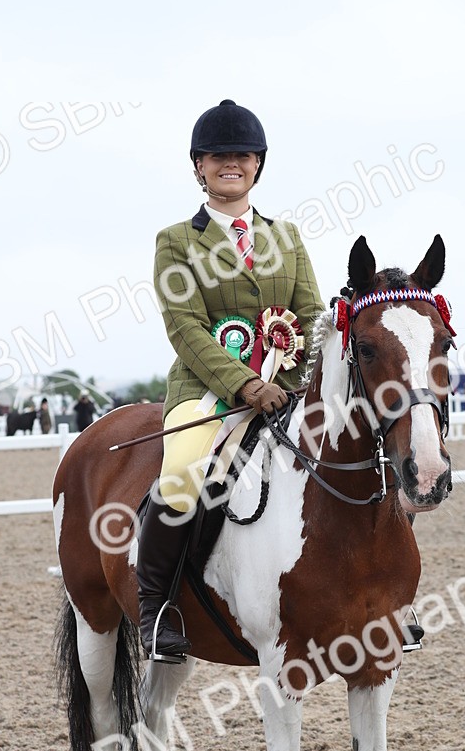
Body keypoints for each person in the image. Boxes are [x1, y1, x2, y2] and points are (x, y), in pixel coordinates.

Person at [137, 98, 324, 659]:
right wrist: (247, 386)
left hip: (286, 389)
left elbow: (312, 317)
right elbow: (186, 327)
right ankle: (156, 608)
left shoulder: (286, 237)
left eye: (242, 155)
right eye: (218, 155)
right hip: (205, 392)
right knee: (183, 470)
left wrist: (292, 377)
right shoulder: (176, 241)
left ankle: (382, 594)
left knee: (361, 450)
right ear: (199, 165)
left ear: (258, 164)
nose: (230, 163)